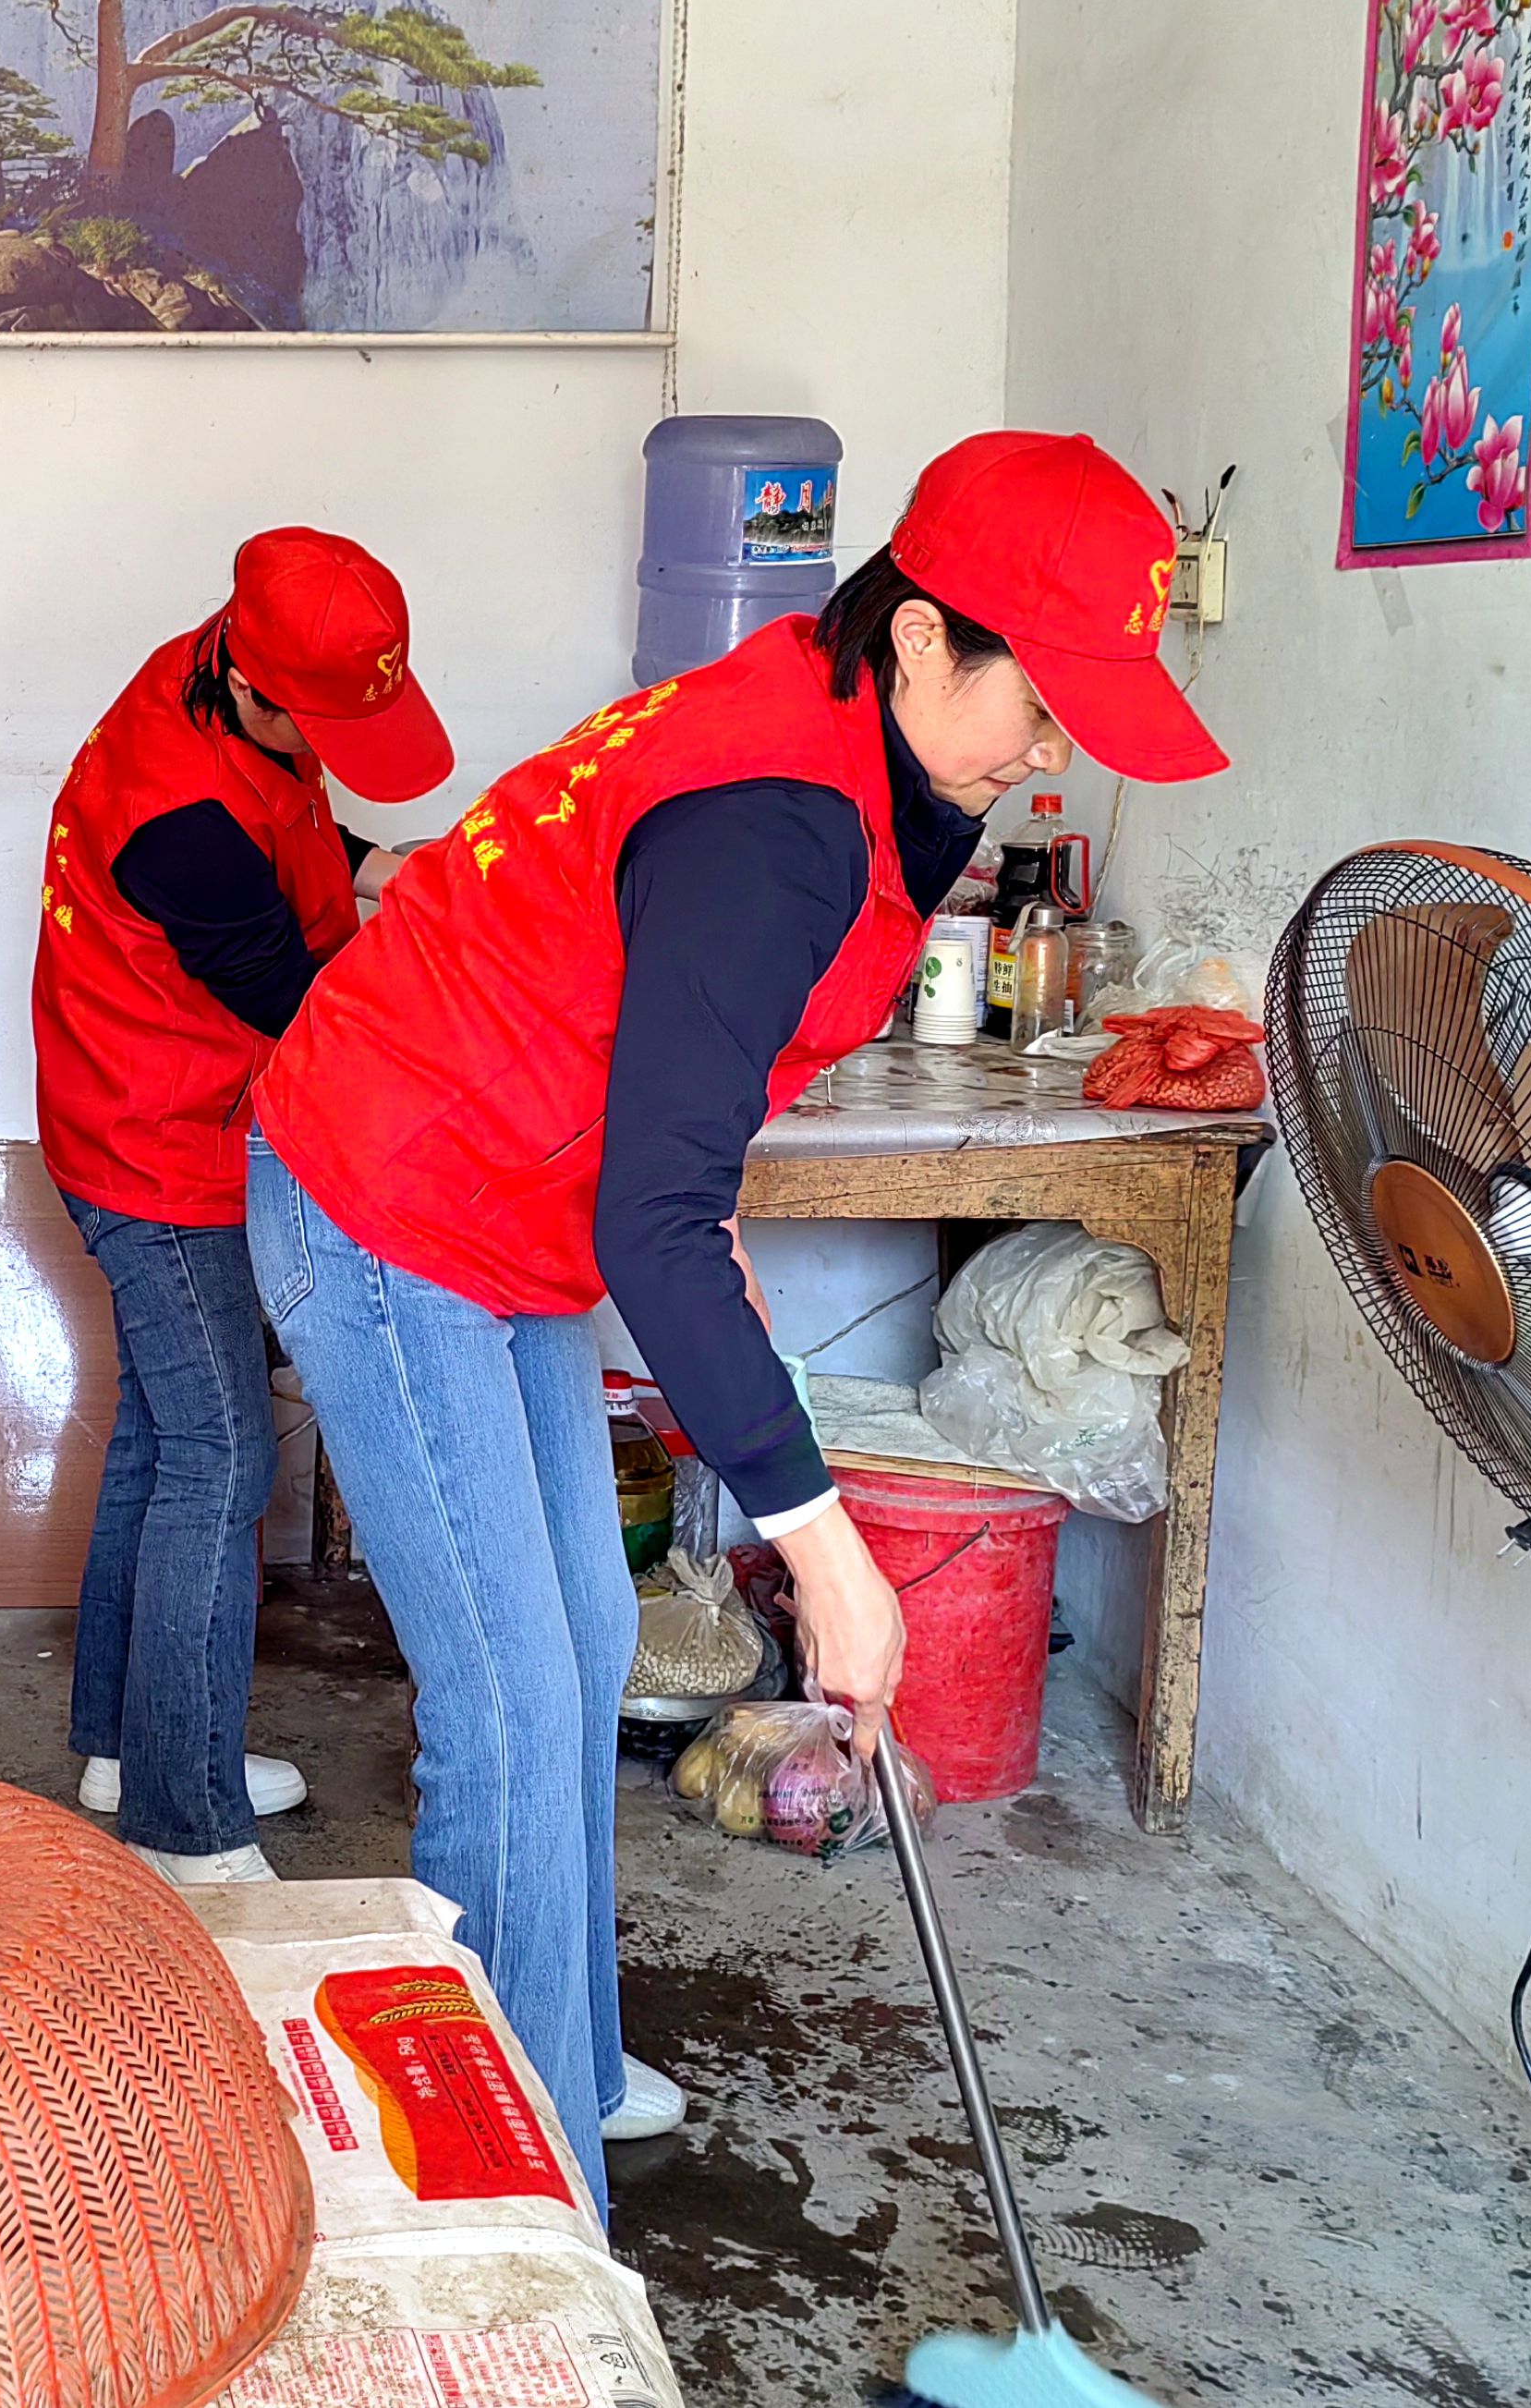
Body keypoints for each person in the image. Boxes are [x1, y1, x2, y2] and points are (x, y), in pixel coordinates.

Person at [247, 432, 1228, 2205]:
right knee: (511, 1708)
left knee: (572, 1661)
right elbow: (653, 1210)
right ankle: (514, 2192)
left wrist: (693, 1227)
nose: (1054, 749)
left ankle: (551, 2055)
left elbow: (663, 1133)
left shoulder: (833, 714)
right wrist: (827, 1557)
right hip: (392, 1201)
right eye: (1042, 699)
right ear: (919, 635)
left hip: (505, 1195)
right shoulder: (776, 816)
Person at [31, 529, 451, 1885]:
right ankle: (184, 1825)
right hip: (157, 1146)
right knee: (219, 1462)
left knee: (164, 1440)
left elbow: (287, 828)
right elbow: (295, 1000)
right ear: (257, 687)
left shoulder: (221, 674)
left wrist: (379, 864)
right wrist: (467, 991)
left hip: (173, 1113)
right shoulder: (177, 816)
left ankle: (131, 1748)